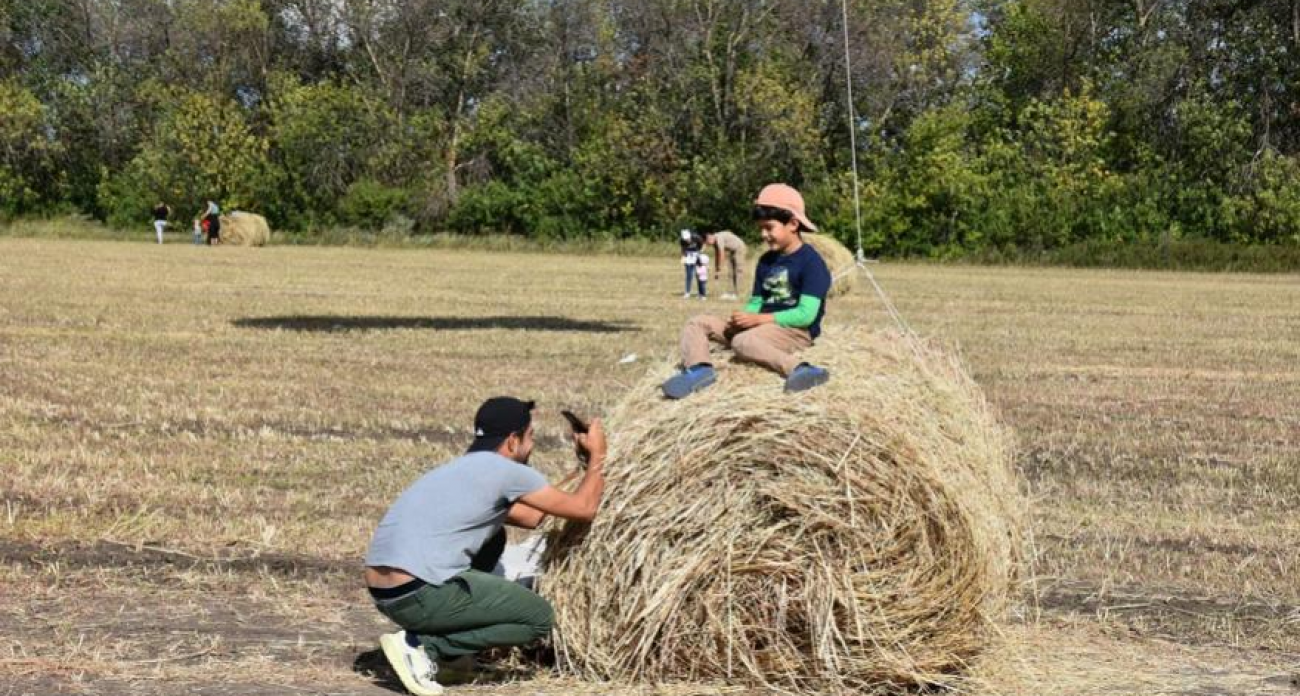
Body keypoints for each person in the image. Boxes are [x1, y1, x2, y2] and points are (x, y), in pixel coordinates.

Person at [365, 397, 607, 696]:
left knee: (494, 540)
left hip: (386, 593)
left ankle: (447, 656)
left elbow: (533, 516)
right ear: (512, 441)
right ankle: (423, 647)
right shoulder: (508, 471)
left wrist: (581, 466)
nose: (531, 447)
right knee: (538, 617)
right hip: (420, 593)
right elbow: (584, 509)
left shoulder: (459, 470)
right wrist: (598, 457)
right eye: (530, 438)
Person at [662, 184, 832, 398]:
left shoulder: (812, 263)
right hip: (761, 325)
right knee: (697, 323)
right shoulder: (766, 261)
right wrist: (744, 317)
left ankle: (801, 369)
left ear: (792, 224)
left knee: (742, 342)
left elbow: (806, 315)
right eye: (760, 228)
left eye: (769, 228)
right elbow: (757, 300)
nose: (763, 235)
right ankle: (699, 370)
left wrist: (758, 320)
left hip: (794, 331)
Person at [705, 230, 748, 300]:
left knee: (738, 271)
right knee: (730, 272)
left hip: (739, 248)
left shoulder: (718, 238)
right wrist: (716, 269)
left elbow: (722, 254)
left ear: (710, 237)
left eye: (707, 242)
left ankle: (738, 293)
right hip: (732, 251)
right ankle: (730, 293)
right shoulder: (715, 242)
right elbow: (717, 255)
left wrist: (719, 267)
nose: (708, 244)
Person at [679, 228, 703, 298]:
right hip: (688, 256)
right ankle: (687, 292)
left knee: (699, 274)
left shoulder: (697, 237)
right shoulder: (682, 240)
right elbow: (683, 249)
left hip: (697, 254)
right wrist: (683, 257)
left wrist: (699, 253)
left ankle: (700, 292)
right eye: (685, 239)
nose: (687, 240)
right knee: (689, 275)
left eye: (688, 239)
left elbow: (702, 245)